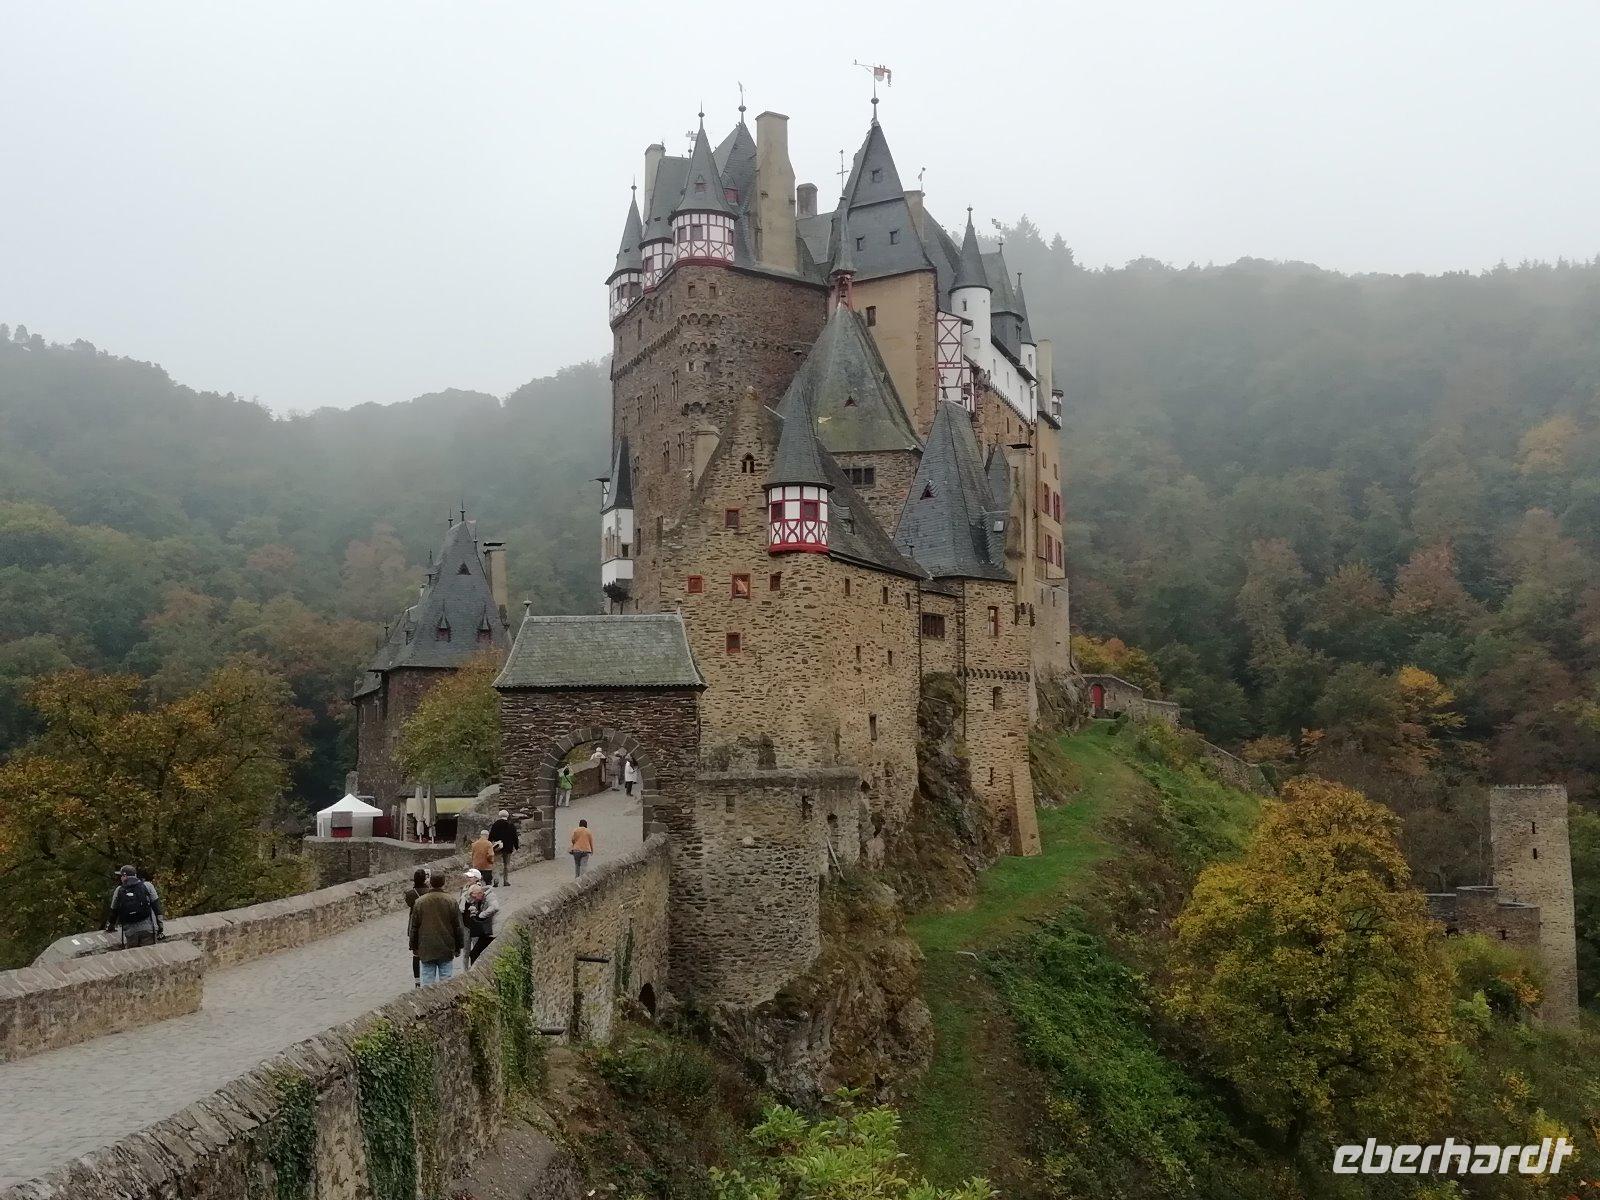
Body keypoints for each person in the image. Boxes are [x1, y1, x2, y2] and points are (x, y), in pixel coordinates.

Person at [408, 870, 463, 985]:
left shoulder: (419, 902)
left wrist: (413, 946)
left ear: (430, 882)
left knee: (427, 980)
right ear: (443, 882)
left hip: (426, 946)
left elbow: (414, 927)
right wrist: (459, 946)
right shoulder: (451, 901)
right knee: (446, 981)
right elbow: (457, 926)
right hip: (446, 946)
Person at [105, 864, 162, 949]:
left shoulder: (119, 890)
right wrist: (160, 926)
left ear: (125, 876)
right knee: (150, 956)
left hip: (130, 932)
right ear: (135, 875)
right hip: (149, 929)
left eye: (121, 876)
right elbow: (157, 907)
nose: (120, 878)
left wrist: (110, 927)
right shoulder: (147, 886)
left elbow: (114, 911)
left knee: (135, 957)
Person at [460, 882, 499, 968]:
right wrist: (476, 912)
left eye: (474, 897)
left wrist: (481, 915)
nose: (474, 900)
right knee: (474, 953)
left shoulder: (490, 896)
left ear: (479, 893)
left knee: (478, 953)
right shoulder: (480, 899)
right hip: (485, 931)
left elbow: (495, 907)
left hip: (492, 931)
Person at [404, 867, 428, 986]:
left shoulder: (410, 894)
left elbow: (409, 904)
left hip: (414, 923)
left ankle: (417, 981)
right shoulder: (429, 892)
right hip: (427, 922)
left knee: (416, 954)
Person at [487, 808, 519, 888]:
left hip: (498, 847)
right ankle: (506, 881)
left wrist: (490, 844)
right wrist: (516, 846)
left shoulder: (496, 824)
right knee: (506, 865)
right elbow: (515, 837)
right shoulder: (511, 825)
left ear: (499, 815)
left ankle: (496, 881)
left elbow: (491, 836)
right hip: (508, 848)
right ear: (507, 816)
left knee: (496, 864)